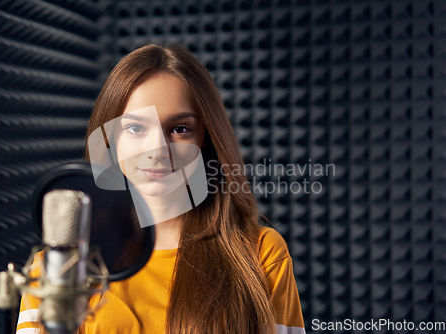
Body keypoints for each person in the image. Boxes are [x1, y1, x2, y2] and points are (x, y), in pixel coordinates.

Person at [16, 44, 305, 334]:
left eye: (179, 128)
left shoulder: (260, 253)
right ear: (110, 137)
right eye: (136, 128)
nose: (157, 150)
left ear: (205, 138)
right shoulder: (59, 265)